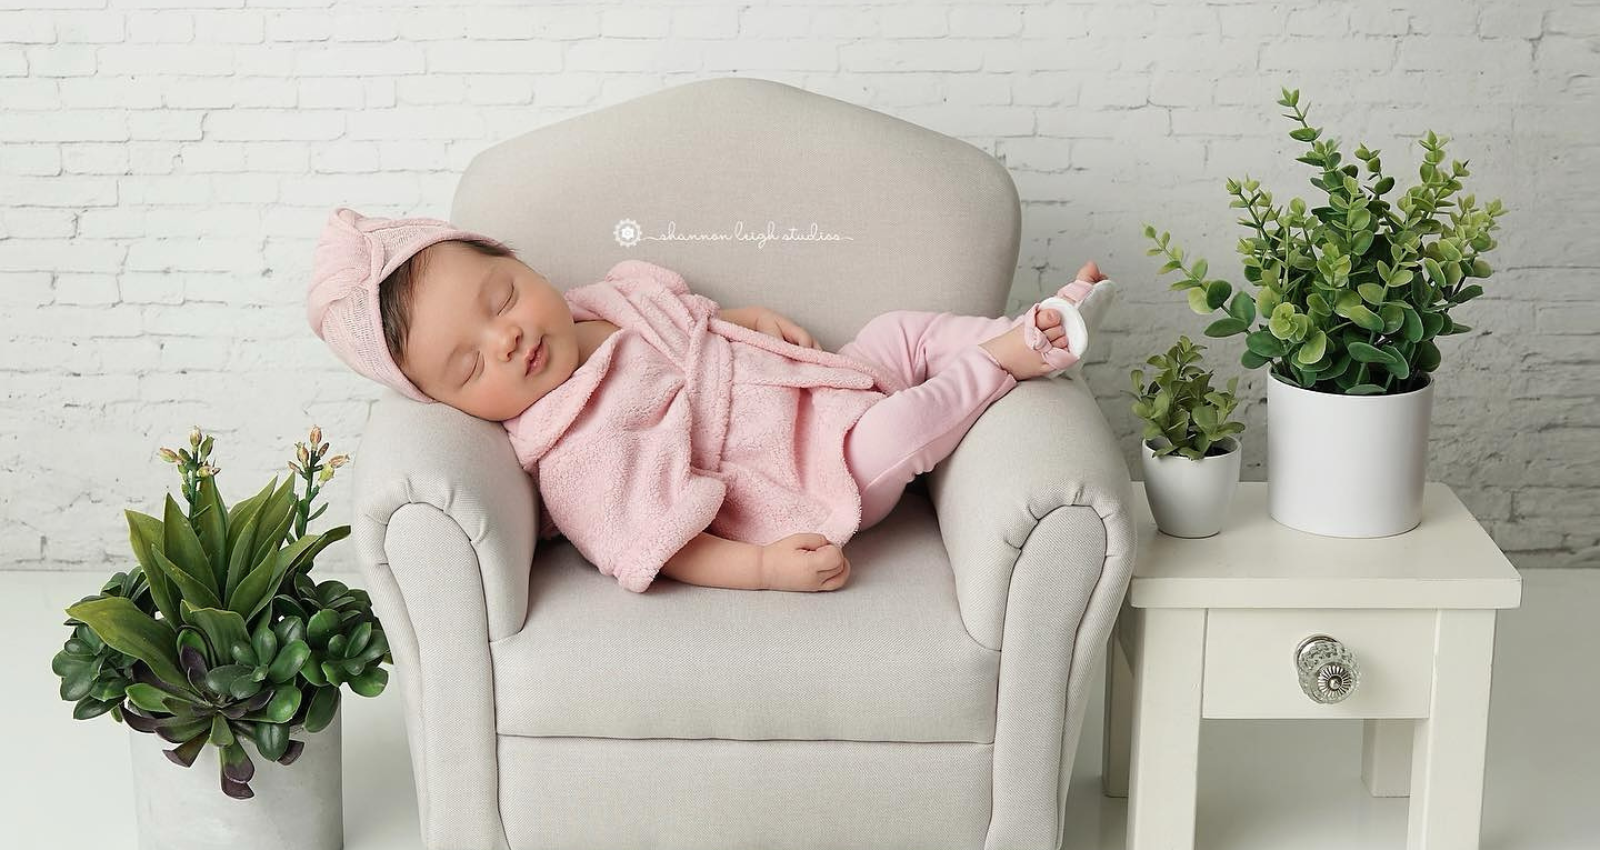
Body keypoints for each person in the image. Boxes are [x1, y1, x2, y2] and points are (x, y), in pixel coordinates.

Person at [306, 207, 1118, 594]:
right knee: (897, 430)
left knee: (895, 331)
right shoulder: (573, 447)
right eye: (469, 364)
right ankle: (1012, 359)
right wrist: (763, 568)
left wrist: (738, 319)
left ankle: (1037, 326)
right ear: (454, 407)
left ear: (520, 263)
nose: (508, 338)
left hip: (818, 386)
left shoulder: (604, 304)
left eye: (502, 298)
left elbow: (688, 328)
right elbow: (663, 542)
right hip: (806, 476)